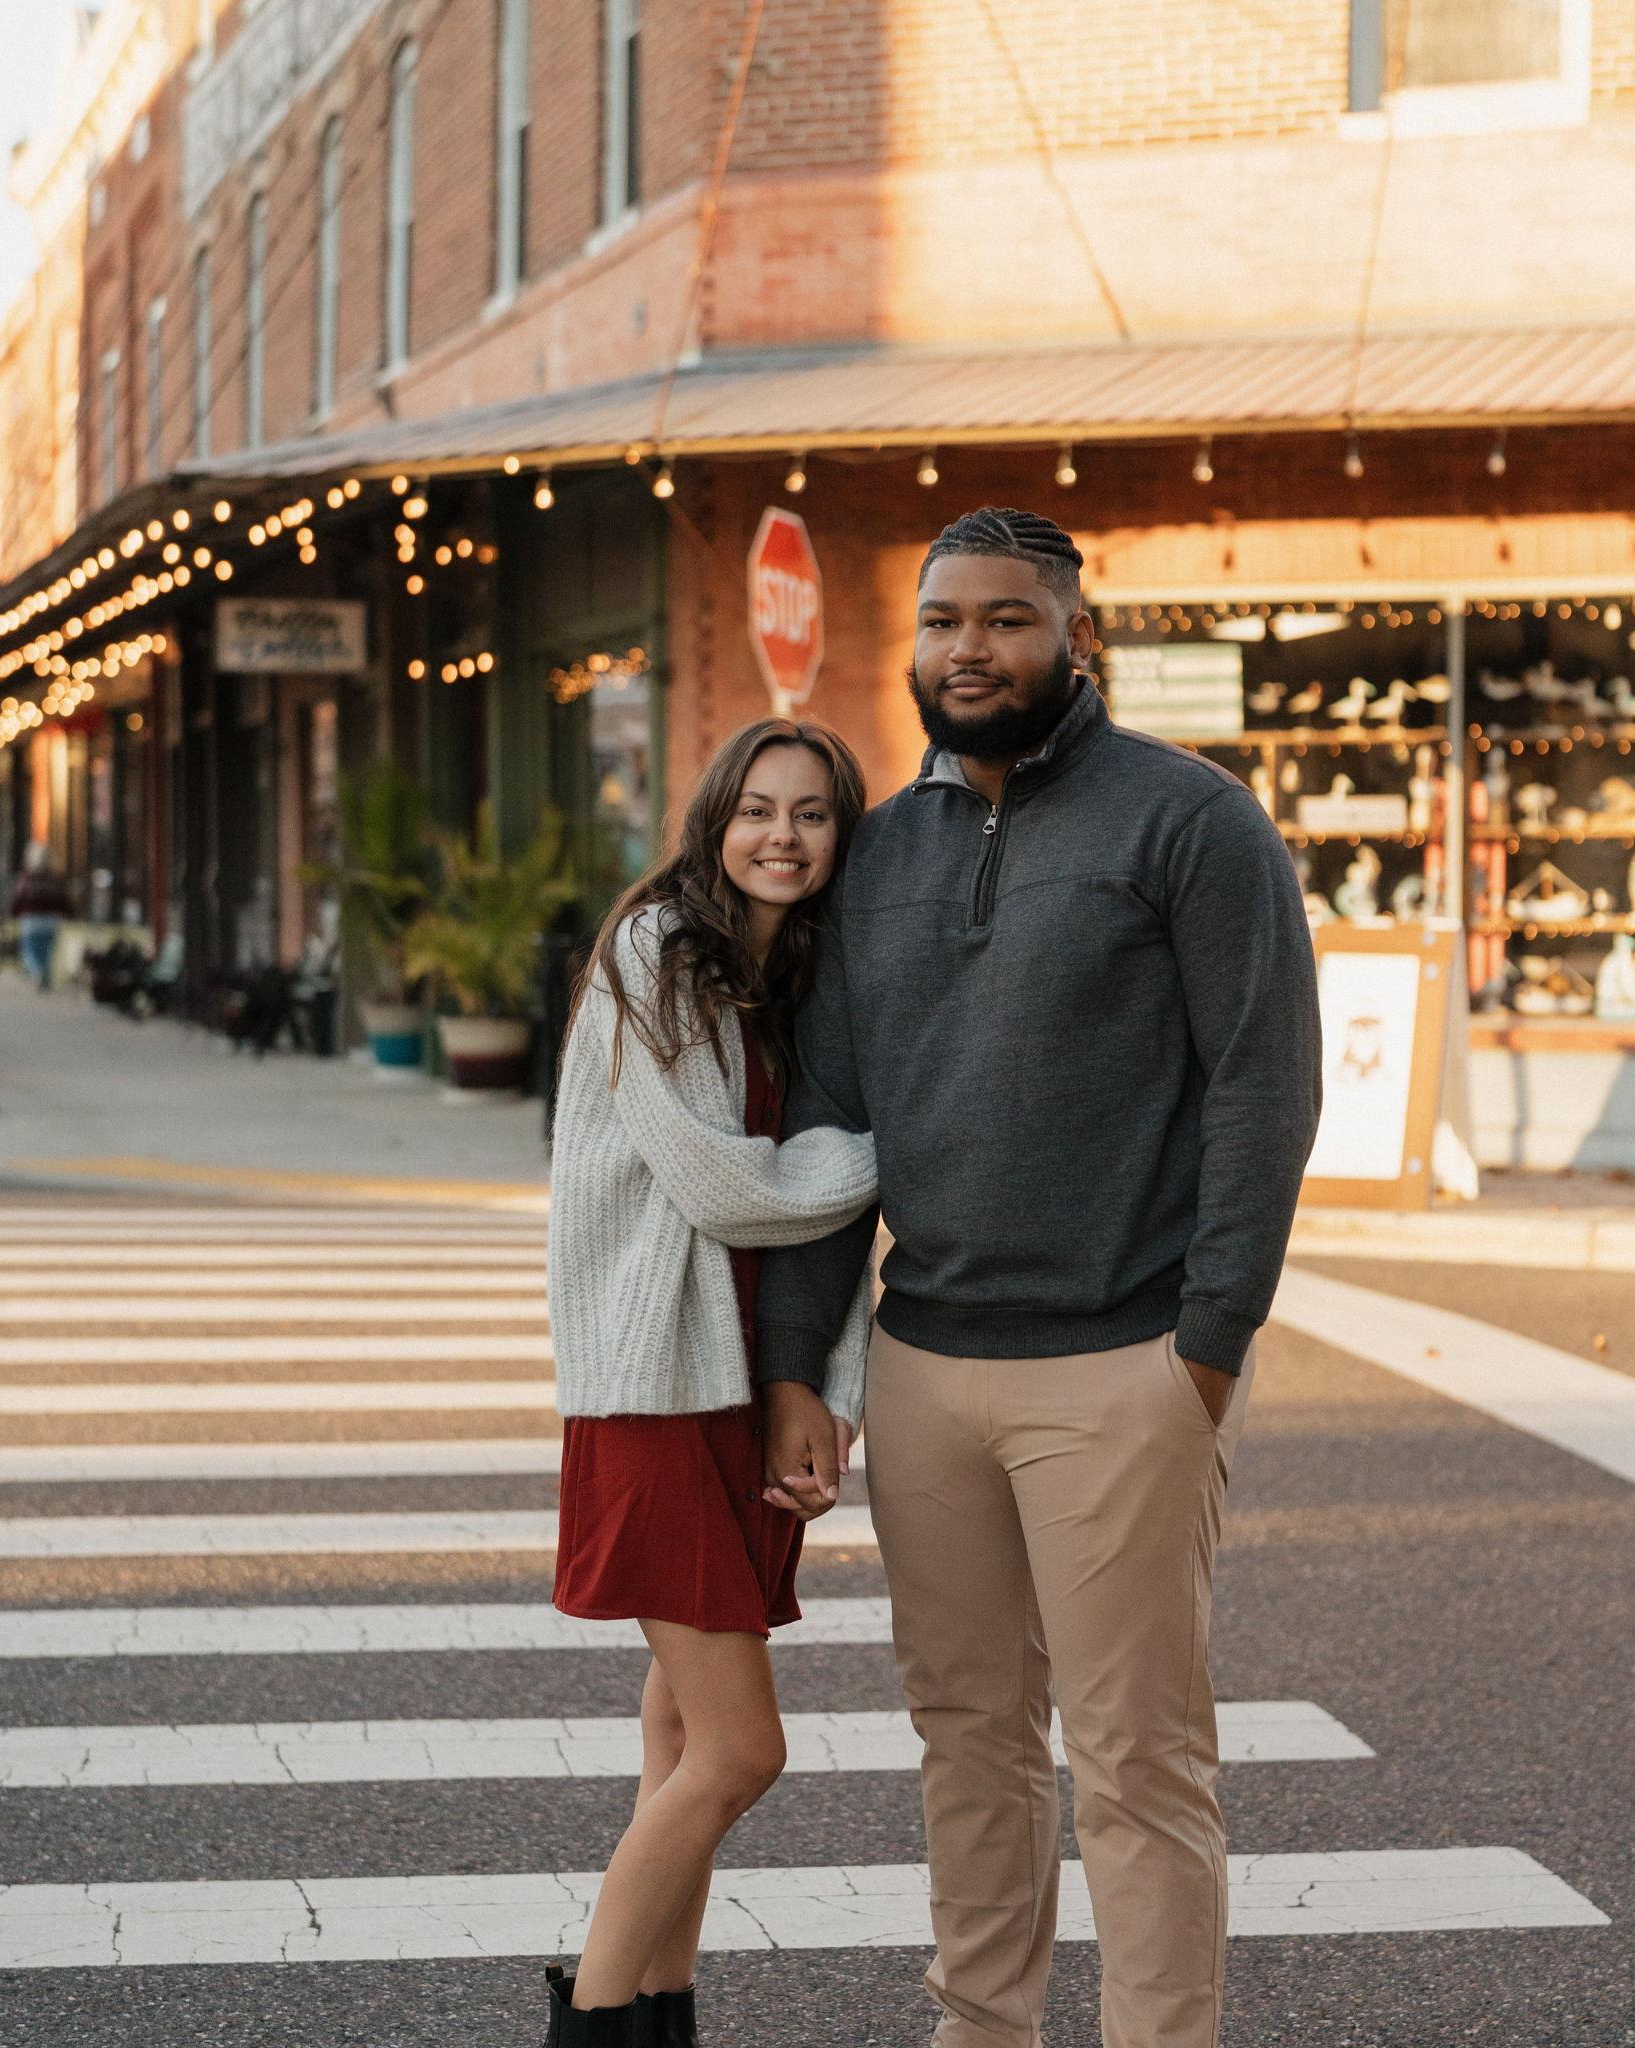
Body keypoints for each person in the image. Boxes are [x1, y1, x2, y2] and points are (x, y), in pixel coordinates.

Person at [756, 508, 1323, 2048]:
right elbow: (829, 1127)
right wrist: (805, 1362)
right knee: (967, 1739)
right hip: (927, 1364)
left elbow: (1265, 1091)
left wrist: (1206, 1349)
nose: (970, 651)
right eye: (944, 621)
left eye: (1007, 621)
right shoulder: (880, 853)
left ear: (1081, 639)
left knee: (1136, 1759)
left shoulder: (1192, 824)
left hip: (1123, 1365)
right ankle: (983, 2028)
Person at [544, 717, 880, 2047]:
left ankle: (662, 2014)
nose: (781, 838)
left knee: (683, 1739)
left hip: (735, 1378)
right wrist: (894, 1155)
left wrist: (825, 1383)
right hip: (655, 1391)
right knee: (743, 1752)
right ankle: (596, 2023)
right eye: (757, 810)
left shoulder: (788, 969)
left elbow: (818, 1233)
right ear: (713, 819)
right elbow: (724, 1185)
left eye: (811, 815)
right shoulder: (659, 952)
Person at [8, 842, 72, 990]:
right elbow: (64, 899)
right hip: (52, 920)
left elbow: (18, 898)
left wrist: (12, 914)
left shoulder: (27, 877)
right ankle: (44, 975)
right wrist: (70, 914)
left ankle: (38, 973)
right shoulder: (55, 878)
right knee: (47, 952)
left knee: (30, 951)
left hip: (32, 920)